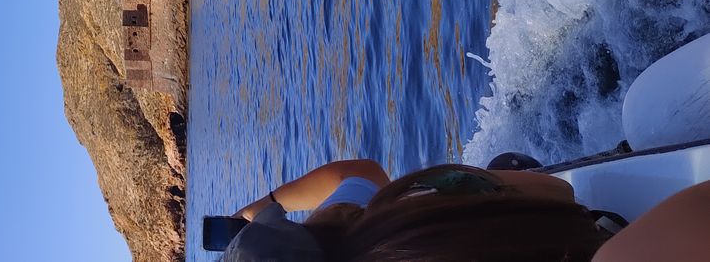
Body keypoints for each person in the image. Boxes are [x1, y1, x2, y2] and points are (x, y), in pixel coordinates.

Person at [221, 159, 710, 261]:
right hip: (600, 235)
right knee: (504, 167)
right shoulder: (404, 208)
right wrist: (264, 208)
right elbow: (556, 191)